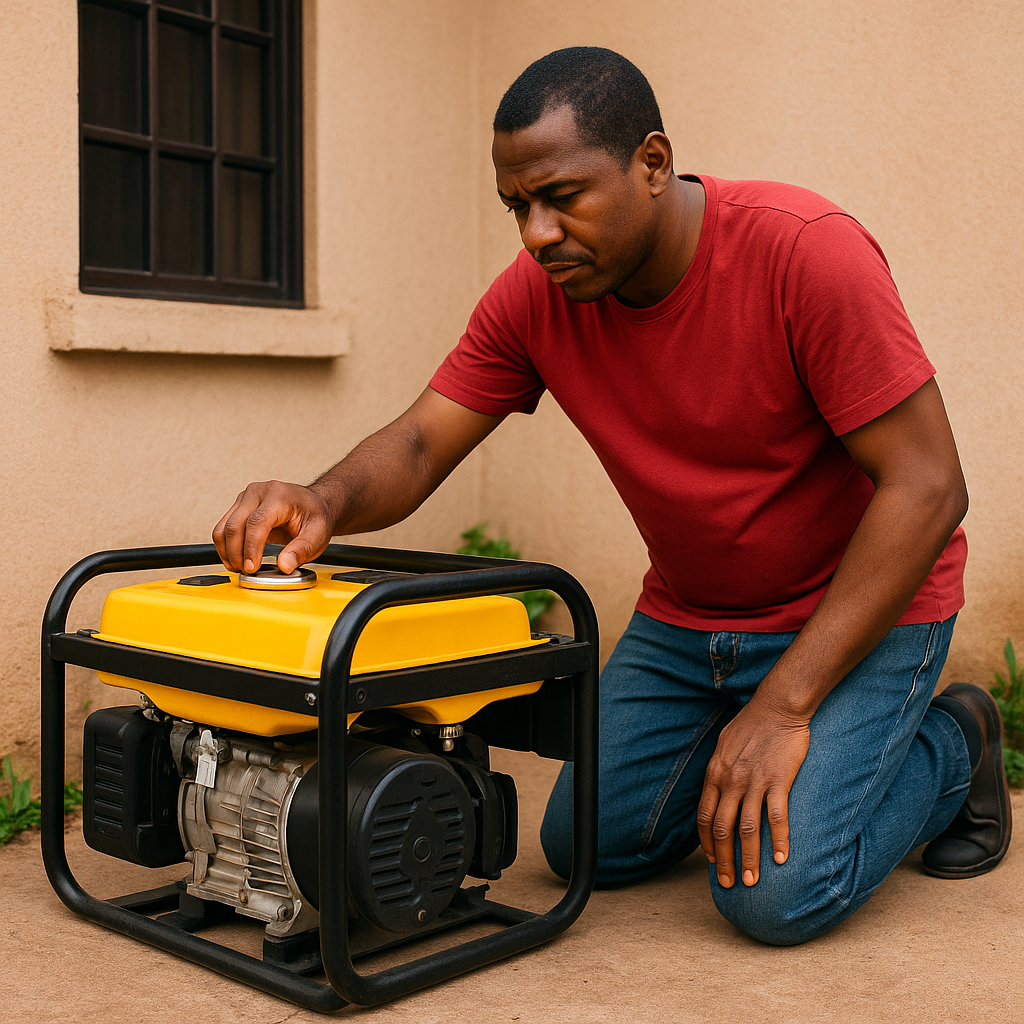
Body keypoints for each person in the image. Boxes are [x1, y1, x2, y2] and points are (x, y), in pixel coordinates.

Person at [213, 47, 1011, 945]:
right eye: (518, 206)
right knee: (588, 846)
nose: (536, 234)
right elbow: (419, 438)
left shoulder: (803, 251)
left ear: (653, 164)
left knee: (774, 898)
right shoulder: (536, 297)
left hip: (855, 615)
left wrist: (784, 707)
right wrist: (322, 498)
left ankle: (955, 744)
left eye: (562, 197)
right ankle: (747, 743)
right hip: (690, 622)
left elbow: (931, 486)